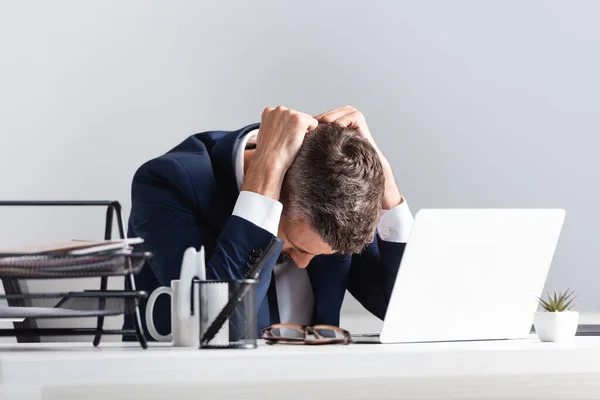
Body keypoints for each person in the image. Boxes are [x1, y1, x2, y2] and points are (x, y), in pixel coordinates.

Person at [125, 105, 413, 338]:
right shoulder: (168, 183)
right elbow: (217, 327)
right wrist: (266, 176)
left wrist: (386, 186)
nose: (303, 262)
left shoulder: (334, 193)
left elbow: (411, 312)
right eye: (297, 246)